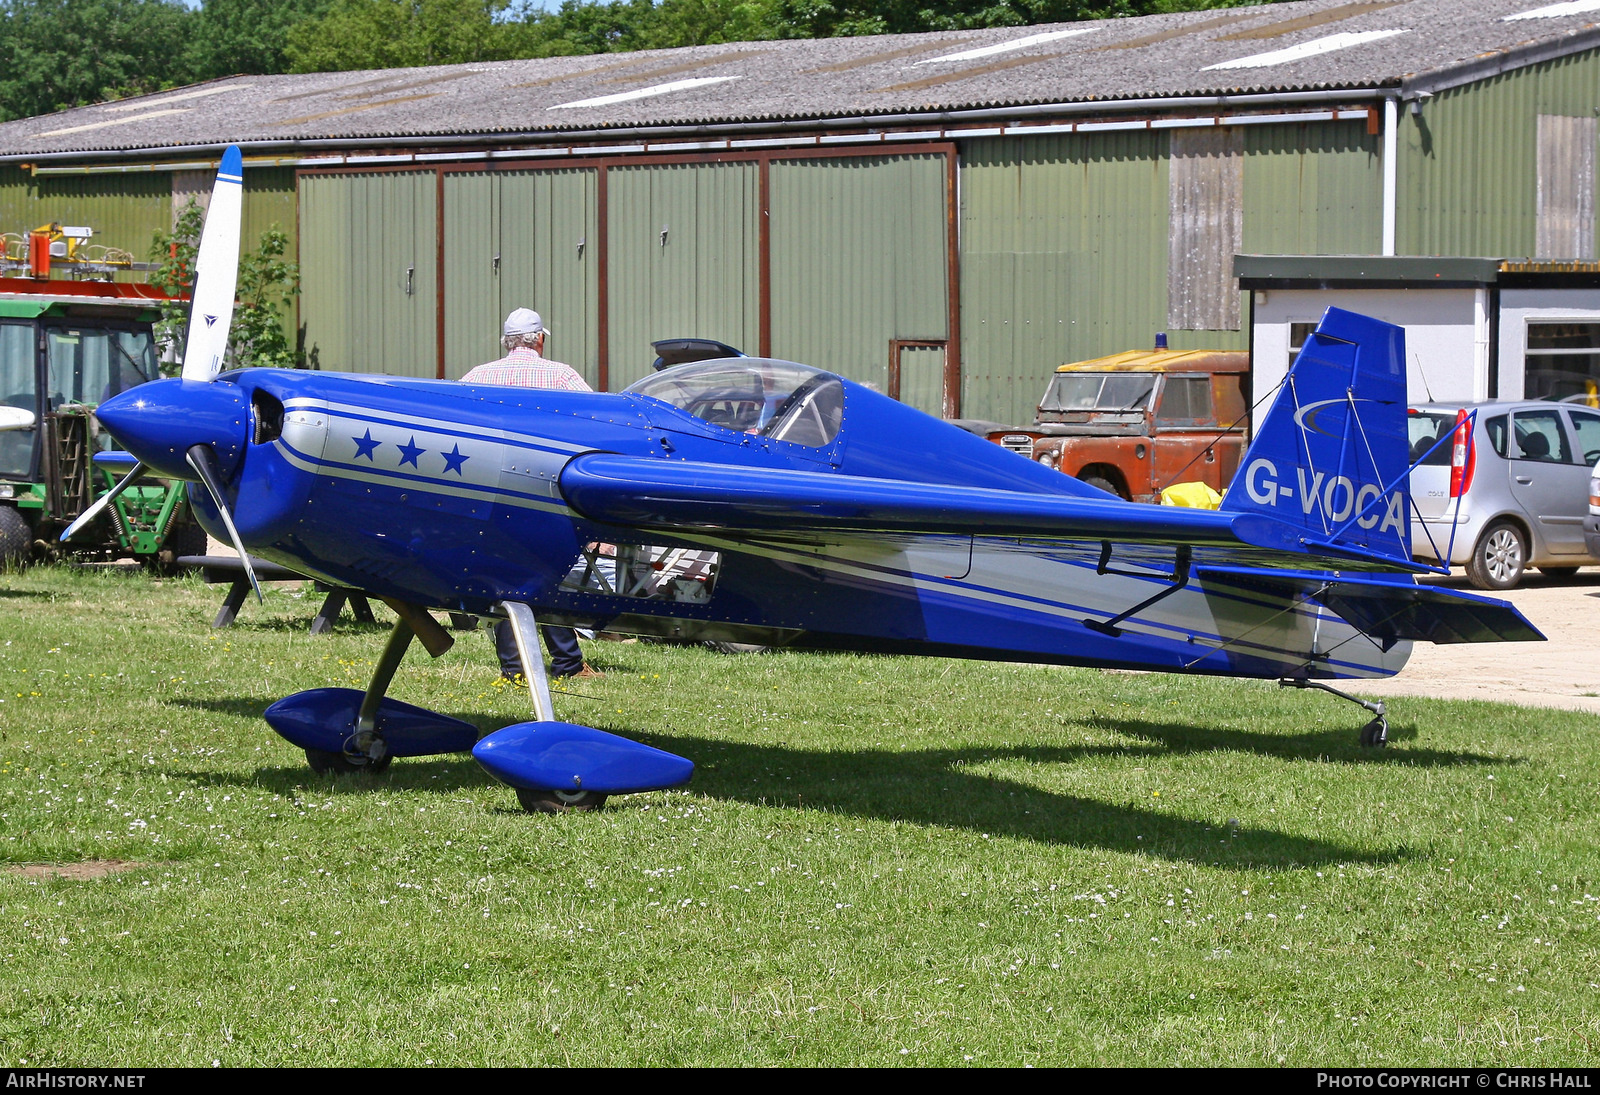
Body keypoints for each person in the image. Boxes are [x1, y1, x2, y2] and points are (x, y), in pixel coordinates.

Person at [461, 308, 601, 681]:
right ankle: (568, 663)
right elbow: (596, 423)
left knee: (503, 573)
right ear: (539, 339)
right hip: (547, 487)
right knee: (549, 572)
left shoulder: (478, 376)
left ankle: (514, 666)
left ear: (506, 341)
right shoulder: (561, 375)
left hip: (493, 487)